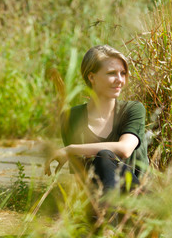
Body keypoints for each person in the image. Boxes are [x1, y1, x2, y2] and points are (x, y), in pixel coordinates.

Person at [44, 44, 149, 226]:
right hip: (96, 205)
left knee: (104, 156)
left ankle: (108, 225)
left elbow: (124, 149)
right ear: (91, 77)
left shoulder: (133, 109)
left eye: (122, 73)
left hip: (135, 203)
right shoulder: (72, 118)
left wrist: (70, 149)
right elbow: (82, 178)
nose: (120, 80)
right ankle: (105, 223)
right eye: (111, 73)